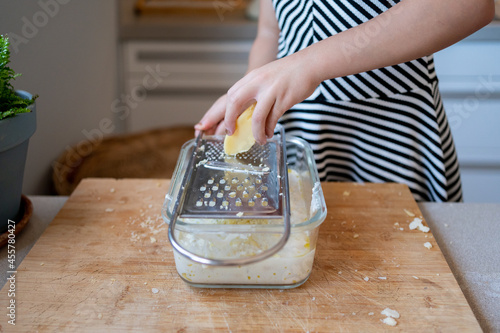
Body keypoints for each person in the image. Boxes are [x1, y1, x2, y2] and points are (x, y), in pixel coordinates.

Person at [194, 0, 495, 202]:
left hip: (394, 136)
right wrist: (248, 92)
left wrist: (307, 64)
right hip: (301, 131)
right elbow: (270, 31)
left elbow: (468, 5)